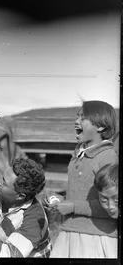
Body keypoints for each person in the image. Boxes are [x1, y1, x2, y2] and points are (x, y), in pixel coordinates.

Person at [46, 100, 118, 258]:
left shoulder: (107, 157)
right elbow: (84, 197)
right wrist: (63, 200)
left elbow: (111, 206)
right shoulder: (78, 156)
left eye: (82, 118)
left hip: (94, 238)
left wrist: (72, 206)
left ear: (100, 126)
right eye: (77, 116)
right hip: (70, 233)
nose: (76, 121)